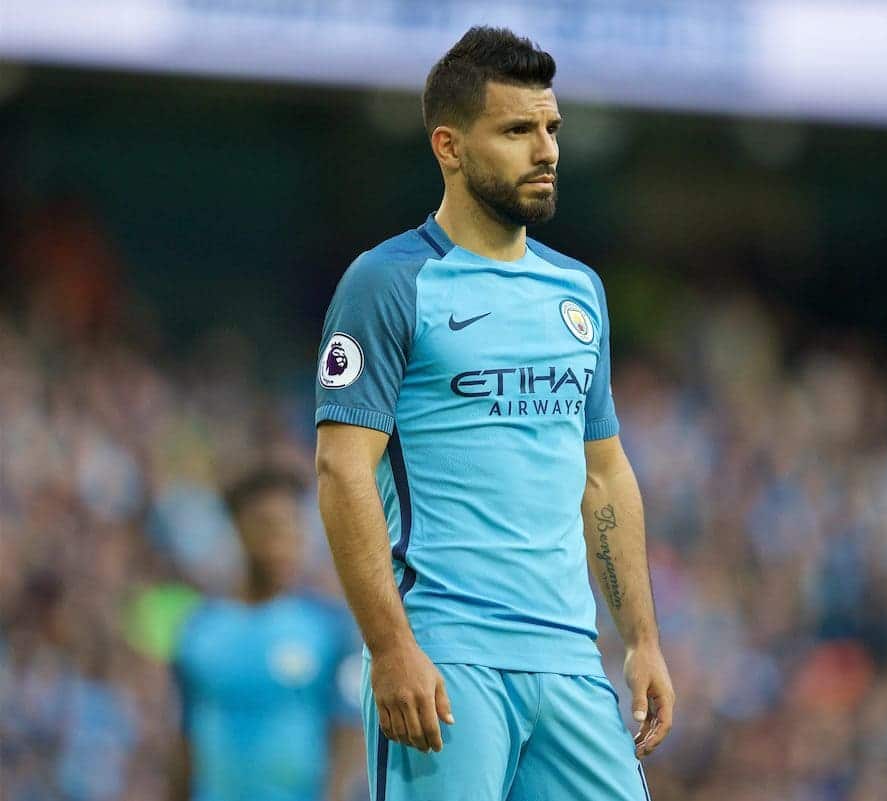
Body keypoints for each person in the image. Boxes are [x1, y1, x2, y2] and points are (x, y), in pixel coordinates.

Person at [313, 25, 675, 801]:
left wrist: (641, 639)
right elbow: (342, 467)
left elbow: (603, 475)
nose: (545, 149)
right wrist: (390, 648)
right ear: (449, 146)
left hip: (571, 661)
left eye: (551, 129)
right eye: (517, 130)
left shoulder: (578, 291)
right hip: (447, 656)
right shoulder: (389, 282)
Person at [170, 468, 362, 801]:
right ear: (237, 528)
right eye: (267, 525)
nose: (281, 541)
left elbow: (347, 732)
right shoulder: (199, 630)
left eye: (290, 525)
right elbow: (186, 737)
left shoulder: (329, 627)